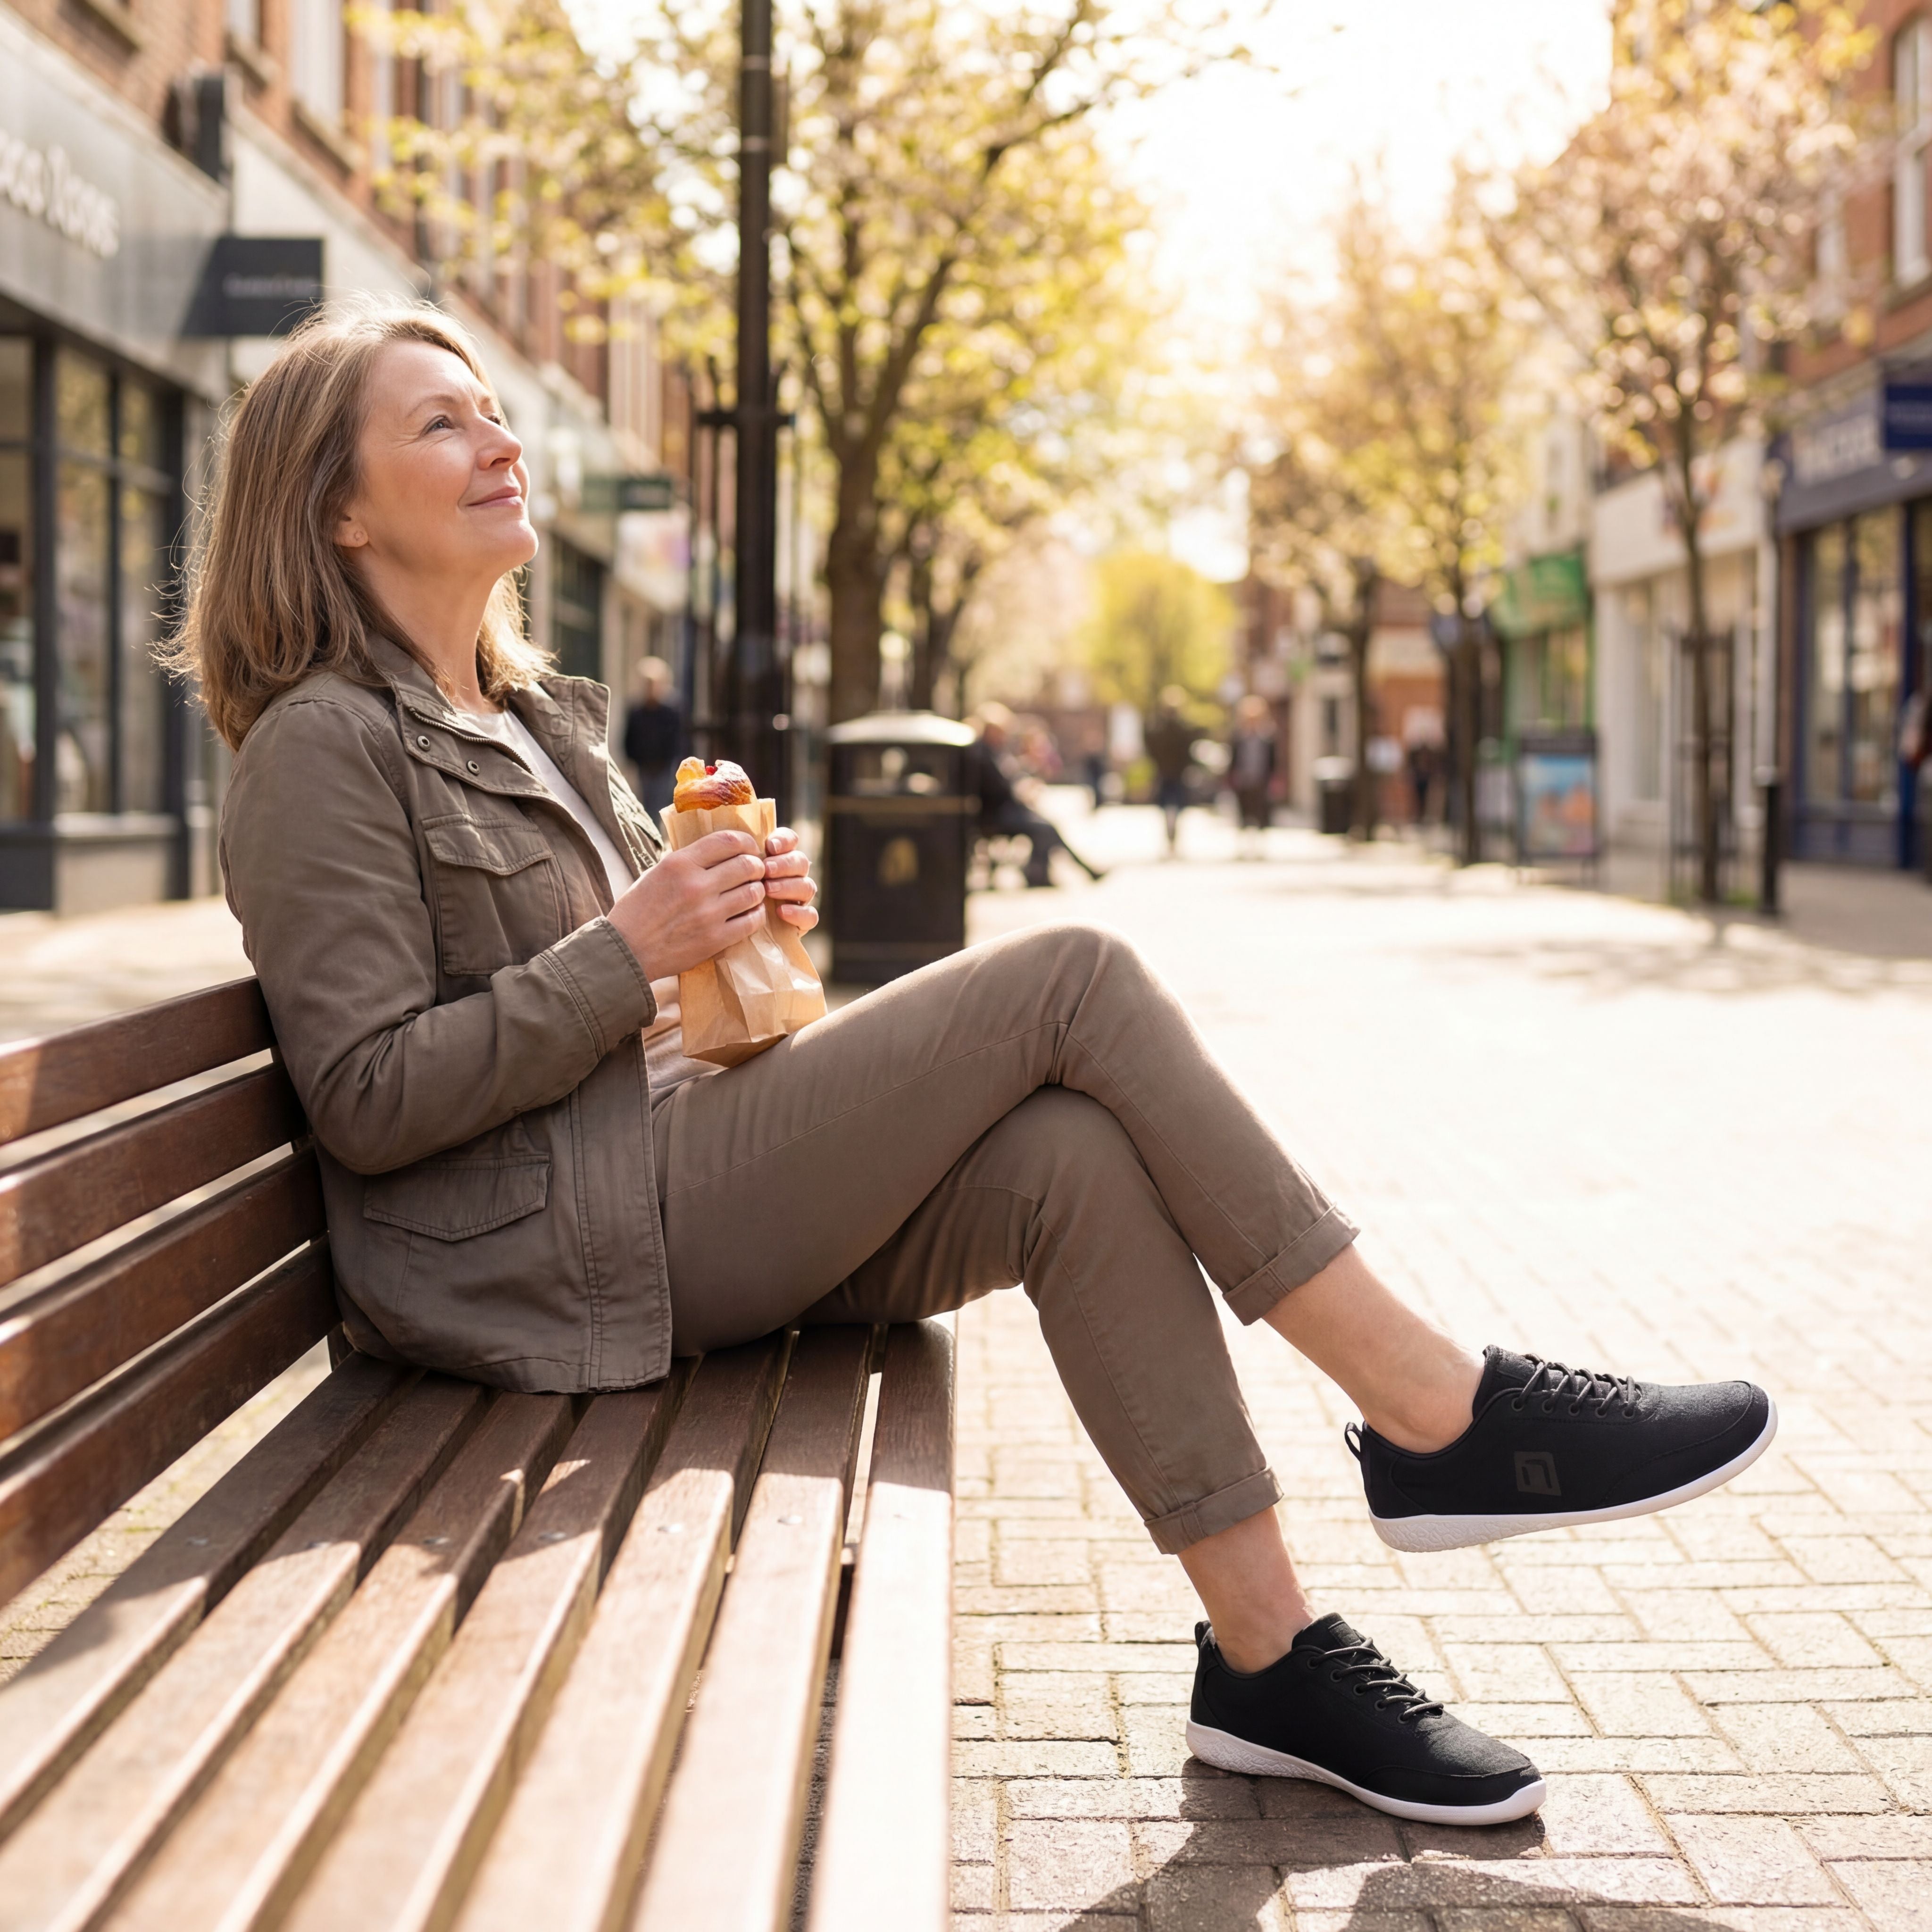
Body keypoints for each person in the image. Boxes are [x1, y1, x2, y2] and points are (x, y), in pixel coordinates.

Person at [183, 302, 1777, 1829]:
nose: (497, 441)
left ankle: (1269, 1654)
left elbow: (659, 1016)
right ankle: (1435, 1410)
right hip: (561, 1254)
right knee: (1071, 973)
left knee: (1072, 1159)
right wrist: (635, 949)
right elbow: (373, 1098)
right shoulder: (324, 743)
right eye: (439, 422)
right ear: (335, 511)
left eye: (494, 412)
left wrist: (743, 945)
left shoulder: (534, 714)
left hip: (660, 1178)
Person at [972, 701, 1104, 888]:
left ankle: (1045, 872)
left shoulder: (993, 752)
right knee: (1046, 828)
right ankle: (1041, 873)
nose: (1005, 736)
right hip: (996, 815)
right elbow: (997, 788)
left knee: (1047, 826)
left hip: (1006, 811)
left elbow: (1006, 780)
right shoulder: (982, 753)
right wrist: (1020, 790)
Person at [622, 656, 683, 819]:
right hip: (644, 767)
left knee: (661, 805)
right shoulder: (636, 711)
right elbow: (629, 738)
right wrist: (635, 759)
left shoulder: (670, 711)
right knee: (646, 804)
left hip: (664, 767)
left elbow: (677, 740)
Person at [1146, 686, 1196, 857]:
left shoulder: (1162, 729)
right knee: (1173, 809)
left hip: (1170, 774)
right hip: (1171, 774)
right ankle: (1172, 841)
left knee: (1170, 810)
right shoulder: (1179, 729)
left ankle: (1172, 841)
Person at [1227, 694, 1278, 858]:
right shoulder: (1239, 737)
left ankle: (1260, 846)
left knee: (1261, 812)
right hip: (1244, 780)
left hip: (1261, 780)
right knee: (1244, 812)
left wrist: (1274, 779)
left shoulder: (1267, 737)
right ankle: (1243, 846)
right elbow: (1233, 759)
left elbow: (1273, 760)